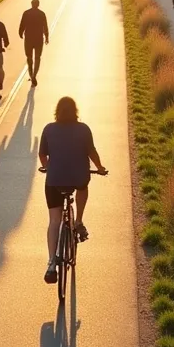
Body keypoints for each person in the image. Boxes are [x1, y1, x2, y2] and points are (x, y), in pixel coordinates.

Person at [38, 96, 107, 284]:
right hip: (78, 178)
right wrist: (100, 168)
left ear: (57, 111)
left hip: (54, 181)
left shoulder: (49, 129)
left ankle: (52, 263)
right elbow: (91, 152)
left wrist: (47, 167)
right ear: (75, 111)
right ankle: (78, 220)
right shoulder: (83, 129)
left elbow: (42, 154)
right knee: (83, 186)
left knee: (54, 220)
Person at [19, 0, 50, 86]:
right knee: (37, 57)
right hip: (38, 39)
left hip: (28, 39)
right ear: (38, 4)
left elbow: (22, 24)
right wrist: (46, 37)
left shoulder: (26, 13)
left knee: (29, 58)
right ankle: (34, 75)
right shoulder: (42, 14)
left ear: (31, 4)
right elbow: (45, 26)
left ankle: (31, 73)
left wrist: (20, 33)